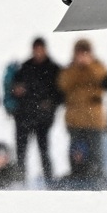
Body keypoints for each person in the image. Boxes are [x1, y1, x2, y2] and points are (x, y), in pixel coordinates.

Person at [7, 37, 63, 182]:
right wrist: (17, 90)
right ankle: (20, 181)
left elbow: (60, 94)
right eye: (35, 49)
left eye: (40, 49)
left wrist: (50, 104)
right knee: (21, 152)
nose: (38, 52)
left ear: (45, 49)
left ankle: (49, 181)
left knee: (44, 151)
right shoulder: (25, 67)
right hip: (24, 116)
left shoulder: (54, 68)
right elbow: (13, 88)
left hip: (43, 119)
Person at [57, 38, 107, 173]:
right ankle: (77, 183)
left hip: (95, 122)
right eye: (79, 53)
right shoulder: (69, 69)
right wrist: (77, 67)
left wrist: (89, 65)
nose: (82, 56)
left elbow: (103, 80)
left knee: (97, 157)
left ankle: (99, 184)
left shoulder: (98, 66)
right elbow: (63, 84)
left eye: (85, 52)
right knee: (76, 156)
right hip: (75, 121)